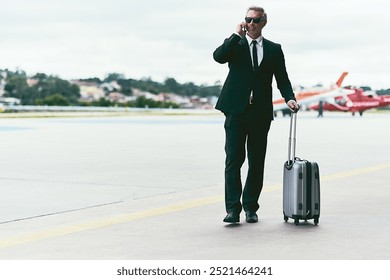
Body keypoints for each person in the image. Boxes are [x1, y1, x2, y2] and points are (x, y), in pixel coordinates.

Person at [213, 6, 300, 224]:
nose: (251, 23)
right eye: (247, 19)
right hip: (235, 110)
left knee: (256, 161)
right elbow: (218, 57)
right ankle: (233, 209)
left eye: (255, 20)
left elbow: (282, 78)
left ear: (264, 22)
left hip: (260, 112)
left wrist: (290, 98)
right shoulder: (235, 43)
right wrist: (236, 35)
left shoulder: (274, 49)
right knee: (234, 159)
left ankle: (251, 207)